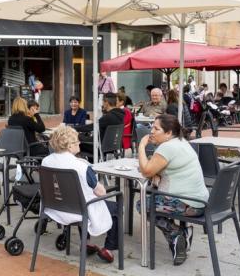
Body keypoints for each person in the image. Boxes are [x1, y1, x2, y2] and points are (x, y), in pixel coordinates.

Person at [41, 125, 120, 263]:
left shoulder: (46, 161)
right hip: (79, 211)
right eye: (77, 141)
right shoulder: (82, 166)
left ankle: (87, 242)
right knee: (116, 207)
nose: (80, 143)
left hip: (55, 208)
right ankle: (109, 248)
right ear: (70, 146)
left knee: (80, 200)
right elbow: (101, 192)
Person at [137, 114, 209, 265]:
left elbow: (146, 171)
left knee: (143, 203)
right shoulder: (182, 142)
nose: (151, 131)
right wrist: (156, 176)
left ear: (168, 133)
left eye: (156, 128)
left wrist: (141, 146)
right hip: (201, 202)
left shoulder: (167, 147)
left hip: (186, 204)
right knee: (156, 196)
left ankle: (176, 234)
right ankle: (184, 230)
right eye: (152, 127)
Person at [77, 92, 125, 157]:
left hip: (100, 148)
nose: (102, 104)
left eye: (102, 101)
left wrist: (73, 128)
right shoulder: (120, 115)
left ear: (106, 103)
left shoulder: (108, 117)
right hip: (111, 148)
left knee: (76, 144)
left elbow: (91, 127)